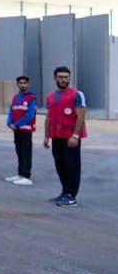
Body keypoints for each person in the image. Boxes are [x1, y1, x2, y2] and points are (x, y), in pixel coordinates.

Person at [43, 66, 87, 207]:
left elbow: (81, 116)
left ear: (69, 78)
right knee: (60, 165)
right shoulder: (50, 97)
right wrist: (46, 136)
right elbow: (49, 117)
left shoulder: (77, 95)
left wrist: (75, 135)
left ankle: (71, 196)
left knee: (72, 166)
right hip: (56, 136)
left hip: (70, 137)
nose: (63, 79)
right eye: (60, 77)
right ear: (55, 78)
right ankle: (65, 191)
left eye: (66, 77)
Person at [6, 75, 37, 186]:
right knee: (19, 152)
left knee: (26, 152)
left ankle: (26, 175)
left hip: (25, 129)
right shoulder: (16, 97)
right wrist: (9, 122)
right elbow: (12, 111)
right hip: (16, 129)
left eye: (24, 83)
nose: (22, 85)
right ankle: (20, 173)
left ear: (28, 85)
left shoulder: (31, 98)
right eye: (20, 83)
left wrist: (17, 124)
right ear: (17, 84)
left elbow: (30, 114)